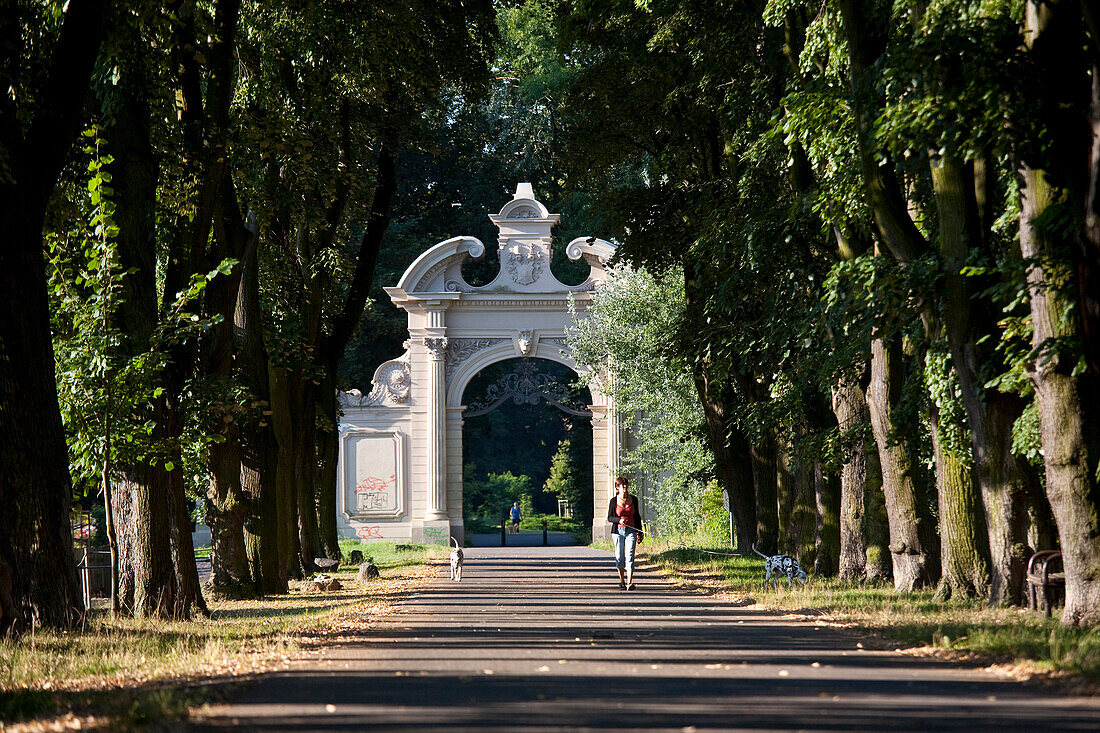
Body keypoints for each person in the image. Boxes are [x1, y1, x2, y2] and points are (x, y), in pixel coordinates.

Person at [607, 477, 643, 590]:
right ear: (617, 487)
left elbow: (637, 516)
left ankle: (630, 582)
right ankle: (622, 580)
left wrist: (640, 531)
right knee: (619, 556)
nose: (625, 487)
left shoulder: (634, 499)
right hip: (618, 532)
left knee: (630, 555)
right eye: (622, 486)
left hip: (631, 530)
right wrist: (619, 520)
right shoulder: (613, 501)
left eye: (626, 485)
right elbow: (609, 518)